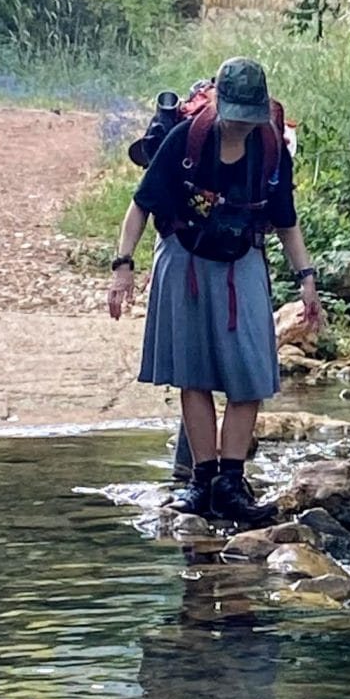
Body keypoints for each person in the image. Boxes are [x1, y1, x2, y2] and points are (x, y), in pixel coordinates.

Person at [108, 56, 324, 525]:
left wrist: (307, 280)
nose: (243, 126)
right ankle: (202, 482)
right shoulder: (186, 140)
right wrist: (123, 267)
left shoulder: (270, 148)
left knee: (250, 372)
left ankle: (231, 481)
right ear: (221, 106)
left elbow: (286, 220)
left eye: (252, 117)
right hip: (184, 257)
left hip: (240, 259)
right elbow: (141, 205)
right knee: (194, 373)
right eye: (237, 116)